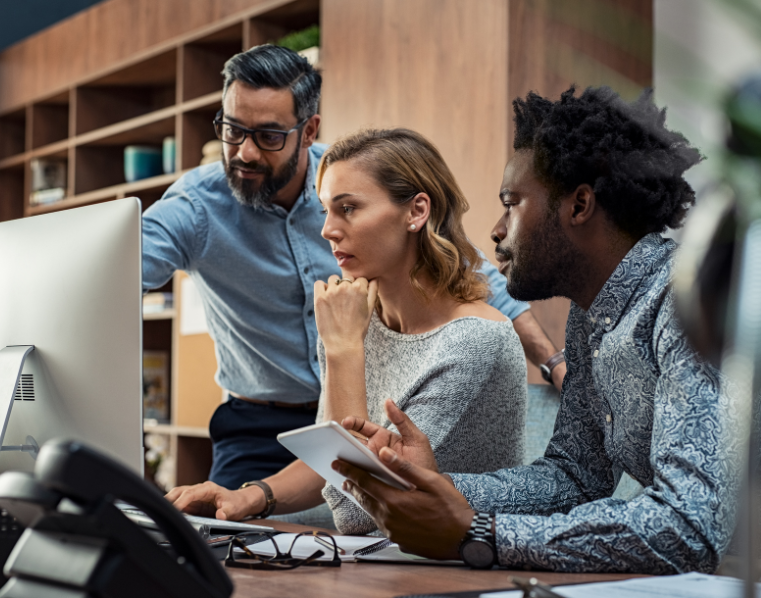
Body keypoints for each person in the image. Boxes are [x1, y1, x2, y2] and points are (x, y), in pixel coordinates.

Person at [332, 86, 741, 574]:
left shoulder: (683, 304)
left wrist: (480, 534)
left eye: (512, 203)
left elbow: (686, 526)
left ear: (579, 204)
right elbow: (574, 478)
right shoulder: (591, 316)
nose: (497, 231)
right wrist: (435, 483)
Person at [142, 43, 564, 491]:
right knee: (223, 540)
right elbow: (115, 275)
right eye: (232, 130)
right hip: (257, 424)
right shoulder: (196, 207)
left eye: (268, 136)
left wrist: (555, 362)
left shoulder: (355, 178)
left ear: (308, 131)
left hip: (366, 411)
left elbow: (478, 279)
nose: (244, 153)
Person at [166, 128, 527, 533]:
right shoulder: (356, 320)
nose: (327, 230)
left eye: (348, 208)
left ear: (416, 211)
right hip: (385, 560)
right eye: (325, 211)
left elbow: (359, 511)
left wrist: (342, 350)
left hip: (459, 570)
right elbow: (329, 459)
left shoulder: (475, 341)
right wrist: (250, 496)